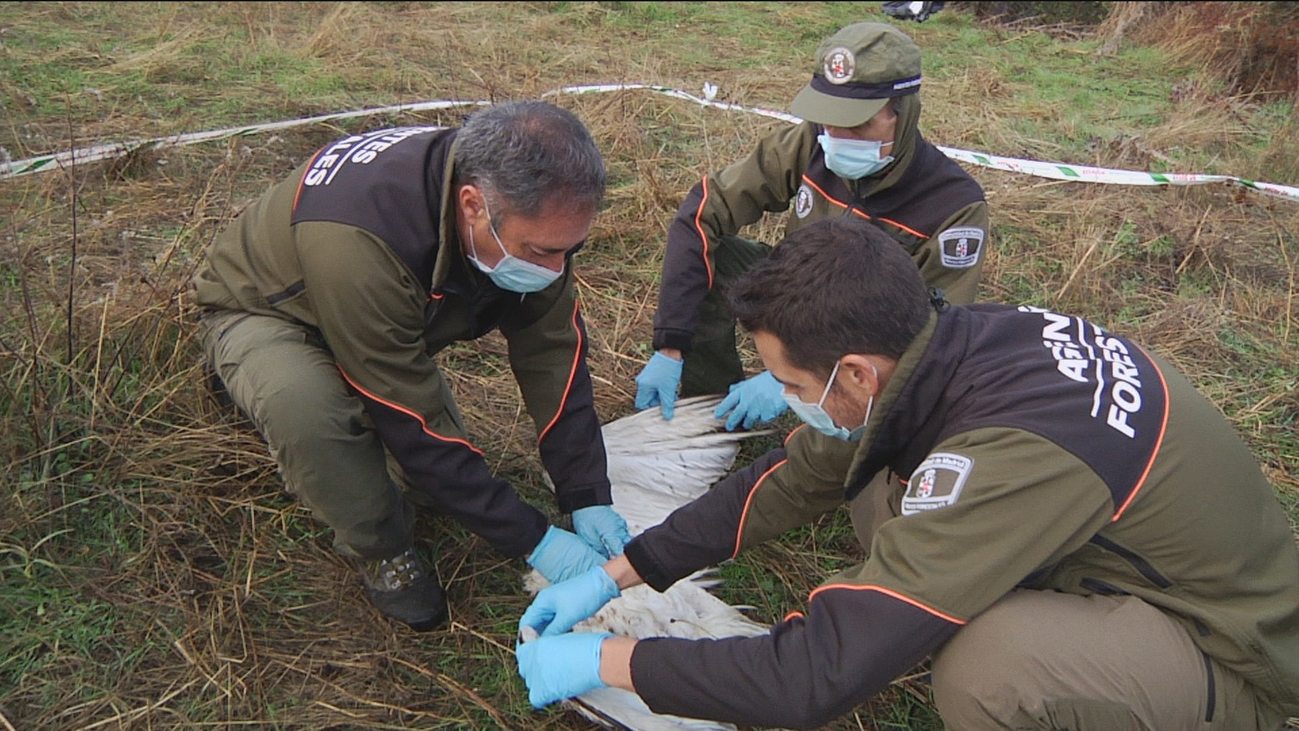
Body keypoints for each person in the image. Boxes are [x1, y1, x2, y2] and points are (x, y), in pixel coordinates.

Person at [517, 217, 1299, 729]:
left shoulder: (1013, 451)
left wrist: (601, 658)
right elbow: (799, 474)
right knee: (874, 487)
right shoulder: (953, 340)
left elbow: (812, 679)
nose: (789, 401)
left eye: (790, 383)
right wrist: (622, 573)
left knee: (992, 668)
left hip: (1236, 654)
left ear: (854, 372)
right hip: (1120, 557)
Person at [193, 101, 632, 632]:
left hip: (383, 313)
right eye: (540, 251)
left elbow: (553, 356)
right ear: (473, 205)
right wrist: (533, 540)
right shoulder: (361, 234)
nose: (556, 269)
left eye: (571, 249)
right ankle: (381, 549)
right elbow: (412, 418)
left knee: (432, 486)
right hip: (269, 310)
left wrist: (586, 493)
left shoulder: (520, 211)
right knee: (309, 410)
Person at [634, 21, 989, 432]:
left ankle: (828, 422)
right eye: (828, 118)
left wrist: (800, 375)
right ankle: (713, 412)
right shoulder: (807, 143)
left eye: (857, 124)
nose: (835, 136)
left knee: (844, 440)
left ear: (903, 114)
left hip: (863, 344)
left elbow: (930, 333)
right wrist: (672, 343)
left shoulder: (952, 206)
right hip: (797, 296)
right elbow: (703, 212)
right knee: (723, 257)